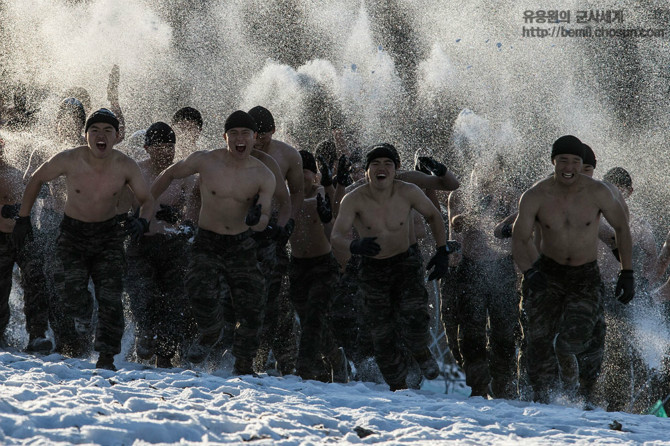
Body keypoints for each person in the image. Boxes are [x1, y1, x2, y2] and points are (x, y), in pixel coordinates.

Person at [14, 108, 154, 371]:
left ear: (117, 136)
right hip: (73, 234)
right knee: (68, 290)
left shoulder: (125, 165)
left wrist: (143, 220)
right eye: (95, 130)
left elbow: (147, 200)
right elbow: (36, 179)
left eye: (107, 131)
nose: (100, 136)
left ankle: (106, 356)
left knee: (111, 298)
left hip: (109, 236)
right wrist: (23, 219)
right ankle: (83, 311)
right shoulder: (69, 159)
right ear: (86, 134)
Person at [512, 135, 635, 405]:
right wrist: (530, 272)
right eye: (563, 160)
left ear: (583, 165)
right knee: (538, 340)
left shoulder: (599, 192)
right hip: (547, 272)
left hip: (584, 275)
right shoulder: (535, 195)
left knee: (576, 336)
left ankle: (579, 389)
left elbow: (622, 228)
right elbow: (518, 238)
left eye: (576, 162)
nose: (569, 167)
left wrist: (628, 272)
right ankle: (542, 400)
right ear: (553, 161)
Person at [151, 110, 274, 375]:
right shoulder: (206, 161)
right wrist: (145, 204)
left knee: (252, 305)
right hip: (208, 240)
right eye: (234, 134)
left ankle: (243, 365)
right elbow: (170, 173)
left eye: (245, 134)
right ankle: (209, 333)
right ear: (225, 137)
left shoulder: (263, 175)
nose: (240, 140)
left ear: (254, 138)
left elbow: (264, 218)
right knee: (198, 290)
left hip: (241, 244)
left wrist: (256, 219)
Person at [331, 143, 454, 391]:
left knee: (414, 319)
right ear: (366, 171)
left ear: (396, 169)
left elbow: (433, 216)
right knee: (381, 332)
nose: (381, 168)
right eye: (375, 164)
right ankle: (398, 387)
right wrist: (355, 246)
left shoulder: (408, 190)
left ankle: (422, 353)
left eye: (387, 164)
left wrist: (442, 252)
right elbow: (336, 236)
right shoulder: (354, 198)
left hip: (406, 262)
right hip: (372, 267)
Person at [445, 158, 520, 399]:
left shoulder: (514, 197)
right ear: (474, 169)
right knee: (471, 331)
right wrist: (478, 210)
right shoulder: (459, 195)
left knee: (505, 333)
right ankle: (477, 387)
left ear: (501, 170)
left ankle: (503, 387)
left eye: (492, 169)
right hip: (470, 267)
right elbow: (456, 226)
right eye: (480, 167)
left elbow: (517, 232)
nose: (486, 175)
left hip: (503, 267)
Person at [124, 122, 195, 368]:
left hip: (173, 247)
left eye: (170, 147)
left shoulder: (184, 175)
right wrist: (132, 219)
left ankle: (165, 354)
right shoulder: (136, 172)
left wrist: (182, 220)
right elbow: (122, 205)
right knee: (142, 294)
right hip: (141, 245)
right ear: (147, 148)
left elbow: (195, 209)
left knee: (175, 302)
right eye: (160, 147)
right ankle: (145, 332)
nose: (167, 152)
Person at [247, 105, 302, 375]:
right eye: (254, 135)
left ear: (273, 131)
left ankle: (286, 361)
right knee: (245, 295)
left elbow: (297, 194)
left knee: (279, 298)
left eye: (264, 135)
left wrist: (287, 224)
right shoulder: (237, 151)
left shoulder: (288, 155)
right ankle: (253, 356)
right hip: (243, 232)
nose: (259, 140)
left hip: (275, 233)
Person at [288, 150, 348, 382]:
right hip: (297, 266)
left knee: (314, 316)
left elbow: (336, 209)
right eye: (295, 172)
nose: (300, 177)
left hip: (323, 266)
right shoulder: (286, 195)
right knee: (310, 321)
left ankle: (304, 368)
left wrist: (336, 183)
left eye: (305, 172)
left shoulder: (321, 192)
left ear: (313, 175)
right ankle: (334, 358)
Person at [0, 137, 52, 353]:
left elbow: (40, 191)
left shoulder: (16, 169)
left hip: (26, 235)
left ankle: (37, 335)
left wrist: (39, 190)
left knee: (36, 282)